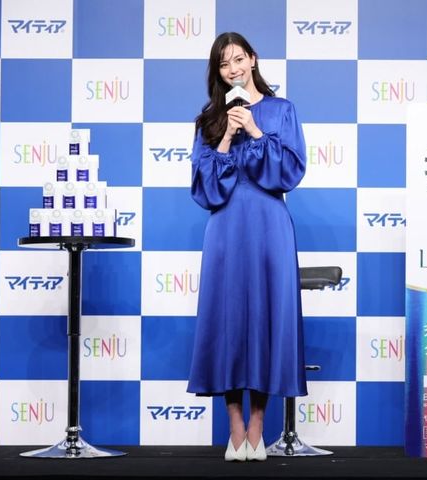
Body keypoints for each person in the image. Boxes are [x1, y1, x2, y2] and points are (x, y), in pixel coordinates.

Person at [186, 32, 308, 462]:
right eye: (224, 64)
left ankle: (257, 428)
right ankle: (234, 428)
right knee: (227, 322)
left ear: (253, 60)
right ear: (218, 73)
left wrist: (255, 131)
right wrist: (225, 137)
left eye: (238, 59)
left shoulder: (282, 110)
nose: (233, 69)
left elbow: (290, 173)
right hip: (226, 228)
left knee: (266, 320)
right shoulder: (208, 119)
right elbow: (204, 189)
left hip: (270, 227)